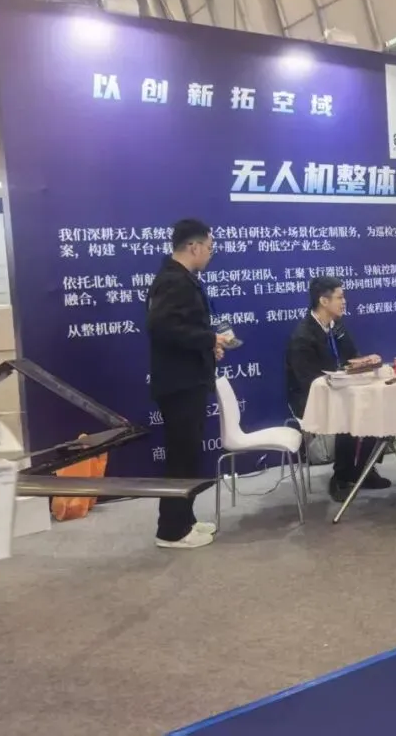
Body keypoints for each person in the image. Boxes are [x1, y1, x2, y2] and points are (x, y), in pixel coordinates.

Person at [146, 218, 224, 550]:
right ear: (193, 246)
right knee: (180, 458)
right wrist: (209, 339)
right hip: (179, 384)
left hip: (188, 379)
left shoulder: (181, 278)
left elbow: (182, 330)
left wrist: (208, 345)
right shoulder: (173, 281)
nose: (210, 253)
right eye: (209, 247)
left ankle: (185, 519)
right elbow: (163, 328)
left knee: (188, 455)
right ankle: (170, 531)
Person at [285, 276, 392, 502]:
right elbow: (308, 381)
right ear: (323, 301)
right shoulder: (303, 336)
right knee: (347, 414)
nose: (344, 302)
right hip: (312, 397)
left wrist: (366, 362)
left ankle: (363, 468)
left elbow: (352, 358)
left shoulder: (337, 327)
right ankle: (341, 476)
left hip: (341, 390)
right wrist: (340, 381)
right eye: (340, 297)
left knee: (377, 407)